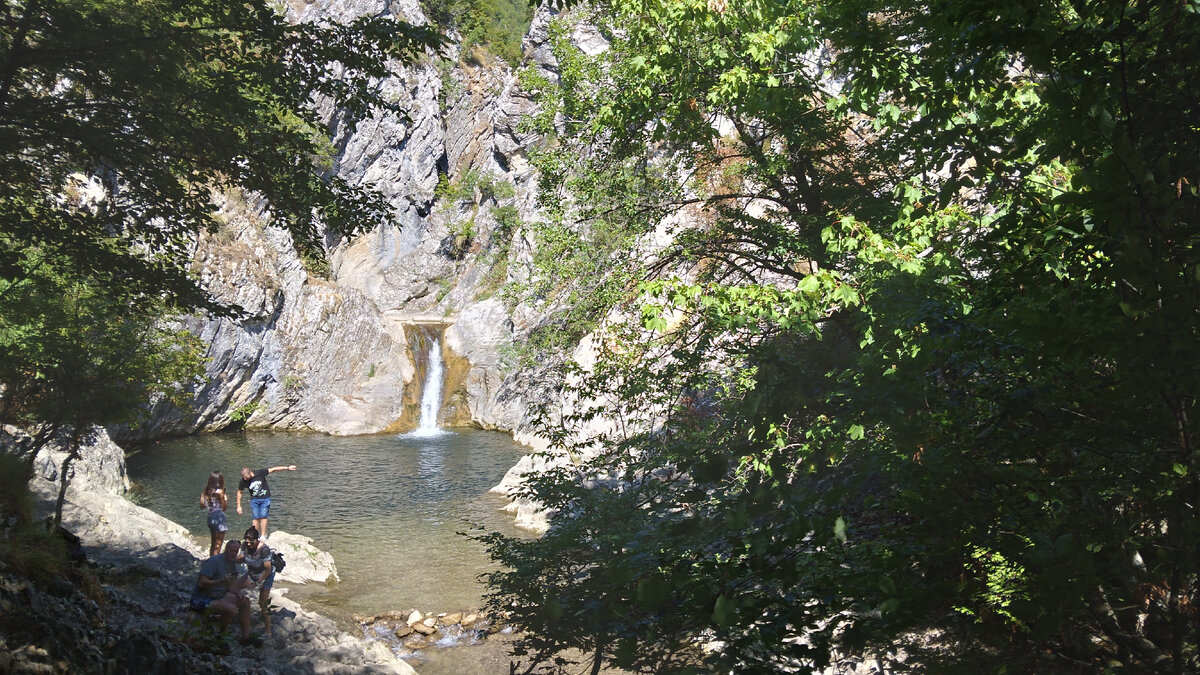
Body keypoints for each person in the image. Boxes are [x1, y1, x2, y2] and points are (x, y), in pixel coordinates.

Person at [189, 540, 260, 645]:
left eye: (236, 551)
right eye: (231, 551)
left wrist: (237, 593)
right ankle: (221, 636)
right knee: (230, 609)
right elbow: (201, 583)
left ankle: (246, 637)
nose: (233, 554)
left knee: (245, 602)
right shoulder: (214, 561)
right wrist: (221, 581)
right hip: (200, 599)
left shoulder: (234, 564)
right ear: (226, 549)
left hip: (219, 597)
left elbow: (231, 586)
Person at [236, 464, 297, 540]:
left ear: (250, 473)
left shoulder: (260, 473)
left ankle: (263, 535)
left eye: (245, 477)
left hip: (265, 498)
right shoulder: (243, 481)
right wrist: (239, 506)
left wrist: (287, 468)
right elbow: (239, 493)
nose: (245, 479)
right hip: (254, 500)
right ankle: (255, 536)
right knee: (255, 517)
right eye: (243, 477)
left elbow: (273, 469)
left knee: (263, 516)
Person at [238, 526, 276, 634]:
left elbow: (268, 570)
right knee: (234, 588)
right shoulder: (245, 545)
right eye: (247, 542)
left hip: (265, 576)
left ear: (257, 539)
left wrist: (256, 583)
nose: (249, 544)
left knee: (263, 603)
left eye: (251, 542)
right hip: (251, 573)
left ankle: (268, 631)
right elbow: (240, 558)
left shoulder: (264, 549)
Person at [200, 470, 228, 557]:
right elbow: (224, 508)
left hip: (210, 517)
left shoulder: (206, 491)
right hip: (219, 517)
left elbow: (202, 506)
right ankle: (215, 563)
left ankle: (210, 561)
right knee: (218, 544)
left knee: (213, 543)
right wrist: (222, 497)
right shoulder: (221, 492)